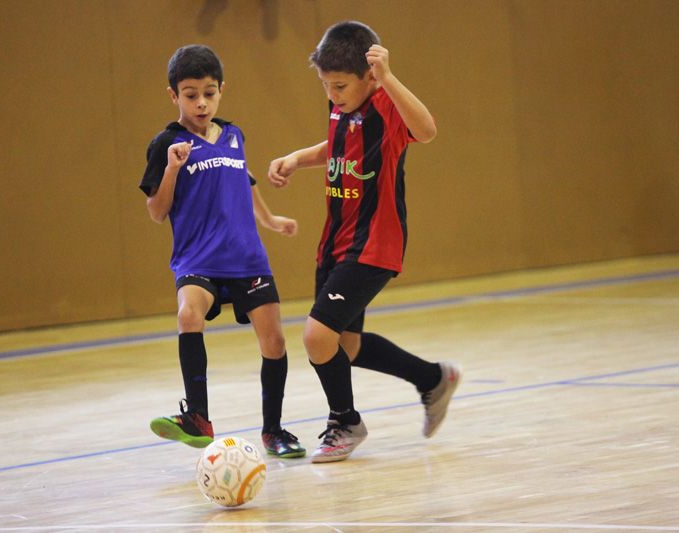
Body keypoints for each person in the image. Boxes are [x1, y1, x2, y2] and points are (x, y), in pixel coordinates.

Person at [267, 21, 462, 463]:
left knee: (317, 336)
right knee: (345, 347)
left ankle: (345, 423)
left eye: (339, 85)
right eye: (325, 85)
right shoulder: (341, 108)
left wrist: (389, 78)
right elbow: (337, 148)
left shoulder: (385, 106)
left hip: (374, 243)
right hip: (336, 242)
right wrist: (298, 158)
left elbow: (427, 130)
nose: (332, 94)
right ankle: (433, 378)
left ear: (369, 77)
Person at [140, 44, 305, 458]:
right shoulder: (167, 143)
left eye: (209, 93)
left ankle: (274, 431)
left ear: (221, 91)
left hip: (247, 257)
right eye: (191, 94)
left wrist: (269, 220)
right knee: (187, 314)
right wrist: (173, 169)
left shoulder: (234, 135)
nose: (201, 102)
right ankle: (197, 416)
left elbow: (244, 181)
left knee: (275, 344)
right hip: (198, 259)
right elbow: (157, 212)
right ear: (173, 95)